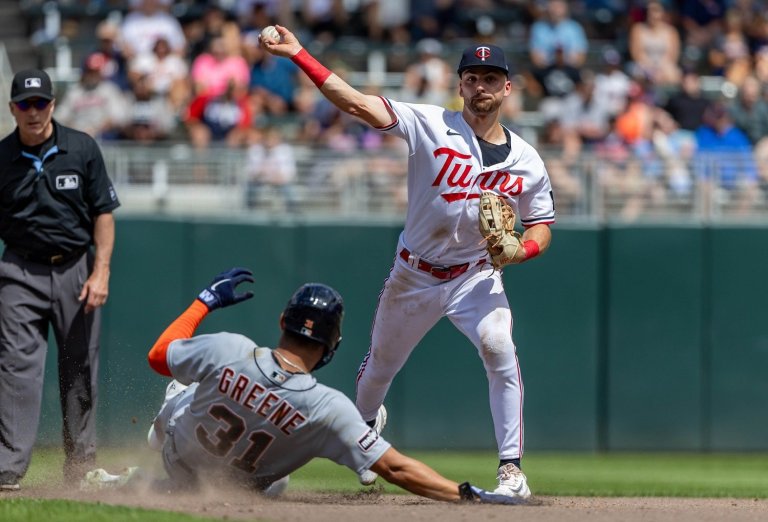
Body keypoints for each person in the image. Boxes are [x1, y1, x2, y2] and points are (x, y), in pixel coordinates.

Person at [261, 26, 555, 499]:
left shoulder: (527, 160)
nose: (482, 86)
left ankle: (511, 471)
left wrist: (524, 249)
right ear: (460, 85)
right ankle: (362, 437)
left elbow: (541, 223)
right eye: (473, 77)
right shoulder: (429, 123)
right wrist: (298, 53)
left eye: (491, 78)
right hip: (414, 273)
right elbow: (355, 103)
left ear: (507, 88)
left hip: (475, 276)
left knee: (500, 349)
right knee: (379, 369)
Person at [142, 267, 520, 504]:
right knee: (283, 476)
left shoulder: (230, 348)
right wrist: (465, 494)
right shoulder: (326, 406)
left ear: (281, 321)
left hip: (176, 456)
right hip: (240, 488)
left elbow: (158, 356)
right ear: (331, 346)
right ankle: (355, 449)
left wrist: (204, 302)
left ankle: (149, 470)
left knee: (183, 386)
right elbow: (398, 469)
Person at [0, 69, 120, 491]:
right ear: (13, 108)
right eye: (24, 104)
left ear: (52, 105)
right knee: (16, 369)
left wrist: (101, 270)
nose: (33, 112)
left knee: (79, 367)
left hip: (75, 267)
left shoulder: (81, 148)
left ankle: (81, 468)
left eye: (40, 103)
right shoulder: (2, 158)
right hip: (19, 269)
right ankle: (7, 470)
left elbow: (103, 213)